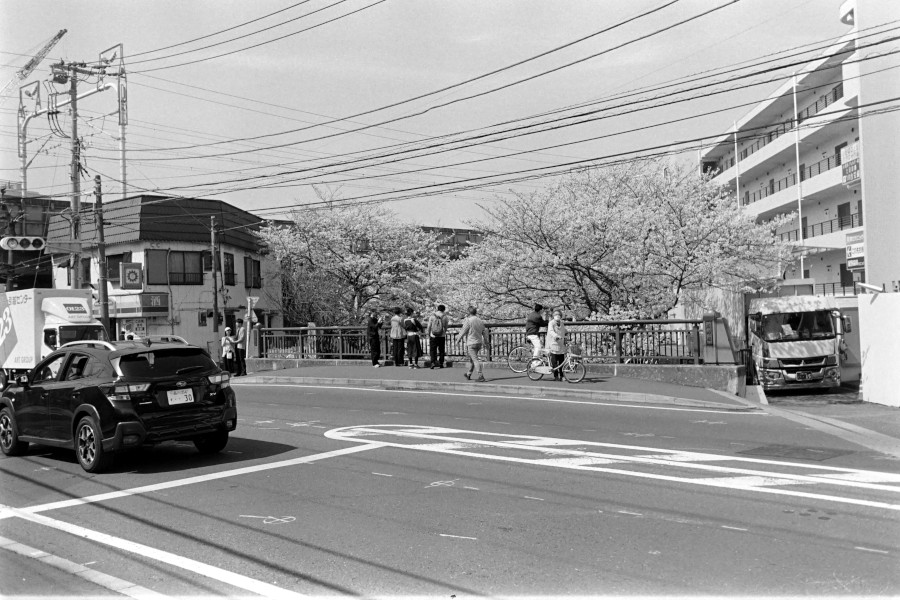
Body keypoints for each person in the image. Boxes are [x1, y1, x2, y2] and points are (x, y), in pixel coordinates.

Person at [458, 305, 488, 382]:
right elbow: (484, 332)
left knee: (475, 360)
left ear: (469, 312)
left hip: (471, 342)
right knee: (472, 359)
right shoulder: (480, 320)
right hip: (479, 342)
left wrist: (458, 340)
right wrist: (486, 342)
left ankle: (480, 376)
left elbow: (463, 331)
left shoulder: (468, 320)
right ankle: (468, 374)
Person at [546, 310, 568, 381]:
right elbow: (551, 331)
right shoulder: (551, 323)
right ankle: (556, 376)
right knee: (554, 362)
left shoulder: (562, 323)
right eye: (556, 314)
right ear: (553, 315)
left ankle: (562, 375)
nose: (557, 316)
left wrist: (566, 333)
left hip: (561, 344)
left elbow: (563, 330)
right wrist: (556, 335)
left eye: (559, 314)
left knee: (562, 362)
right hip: (553, 343)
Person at [427, 304, 449, 369]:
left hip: (433, 335)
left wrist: (428, 333)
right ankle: (441, 363)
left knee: (433, 350)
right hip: (441, 335)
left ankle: (433, 362)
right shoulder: (445, 317)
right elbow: (446, 326)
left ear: (437, 309)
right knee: (441, 349)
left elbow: (429, 326)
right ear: (444, 310)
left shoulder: (432, 316)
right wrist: (444, 332)